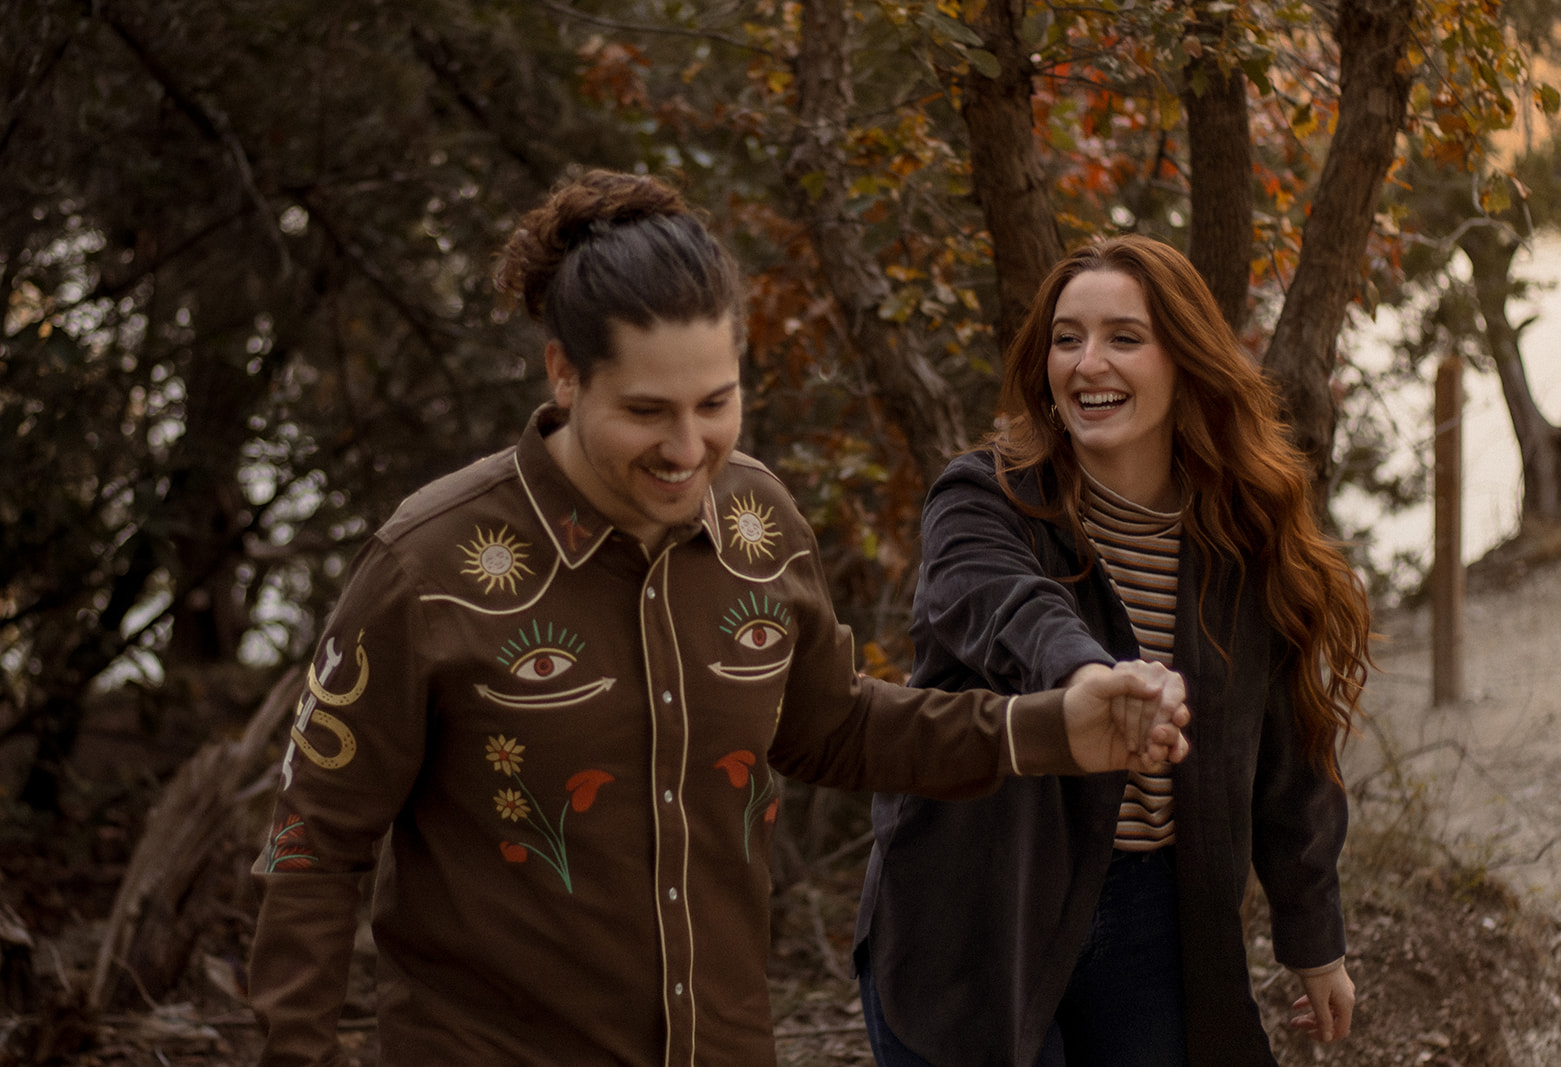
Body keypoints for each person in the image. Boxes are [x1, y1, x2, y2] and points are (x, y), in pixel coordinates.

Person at [246, 170, 1193, 1067]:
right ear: (564, 375)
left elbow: (836, 728)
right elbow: (315, 844)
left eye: (717, 402)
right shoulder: (427, 566)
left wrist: (1048, 729)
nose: (688, 448)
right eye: (647, 411)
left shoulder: (760, 525)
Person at [852, 234, 1374, 1067]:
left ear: (1186, 360)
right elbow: (1012, 611)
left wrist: (1314, 935)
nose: (1088, 363)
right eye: (1068, 338)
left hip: (1153, 919)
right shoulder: (982, 496)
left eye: (1124, 338)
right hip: (977, 907)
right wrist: (1093, 679)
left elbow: (1287, 752)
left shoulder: (1239, 533)